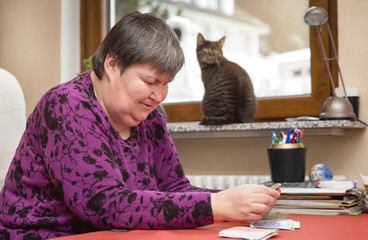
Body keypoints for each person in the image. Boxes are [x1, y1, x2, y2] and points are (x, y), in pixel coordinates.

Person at [0, 12, 280, 239]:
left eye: (166, 85)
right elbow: (105, 205)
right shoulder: (65, 106)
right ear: (112, 64)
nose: (158, 96)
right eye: (150, 82)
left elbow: (175, 189)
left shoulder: (150, 117)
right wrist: (217, 205)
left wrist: (241, 200)